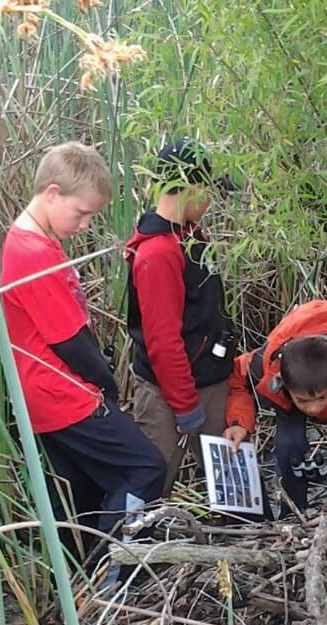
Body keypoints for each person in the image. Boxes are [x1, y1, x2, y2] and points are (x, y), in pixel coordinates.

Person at [0, 141, 166, 559]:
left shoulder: (37, 239)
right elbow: (69, 340)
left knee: (84, 491)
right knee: (145, 468)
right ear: (52, 193)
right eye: (82, 213)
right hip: (63, 395)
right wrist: (106, 386)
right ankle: (115, 567)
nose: (86, 225)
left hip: (49, 394)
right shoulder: (32, 253)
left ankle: (85, 579)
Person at [124, 138, 238, 494]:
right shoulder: (158, 254)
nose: (210, 202)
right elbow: (162, 340)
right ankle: (131, 546)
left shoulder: (190, 237)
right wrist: (186, 406)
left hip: (209, 379)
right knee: (152, 483)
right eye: (208, 191)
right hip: (167, 395)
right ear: (190, 187)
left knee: (233, 490)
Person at [223, 300, 327, 513]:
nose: (313, 409)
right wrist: (240, 423)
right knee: (288, 445)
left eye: (320, 398)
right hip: (292, 393)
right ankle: (293, 509)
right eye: (304, 401)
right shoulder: (264, 365)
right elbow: (236, 377)